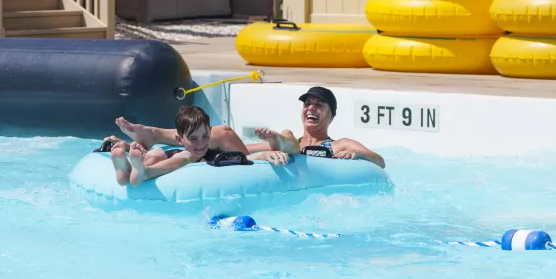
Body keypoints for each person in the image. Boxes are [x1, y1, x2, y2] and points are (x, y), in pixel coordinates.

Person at [110, 86, 386, 169]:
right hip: (279, 148)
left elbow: (381, 162)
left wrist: (359, 155)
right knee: (221, 135)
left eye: (319, 105)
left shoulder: (339, 144)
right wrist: (272, 147)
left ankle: (152, 134)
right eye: (307, 104)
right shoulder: (285, 139)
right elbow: (261, 152)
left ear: (331, 115)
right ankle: (144, 143)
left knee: (230, 134)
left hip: (294, 151)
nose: (311, 108)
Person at [107, 105, 291, 187]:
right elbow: (246, 157)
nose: (201, 143)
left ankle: (128, 169)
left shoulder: (202, 149)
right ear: (180, 140)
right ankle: (141, 171)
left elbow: (246, 157)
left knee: (154, 154)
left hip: (168, 153)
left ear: (211, 134)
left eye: (205, 136)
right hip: (177, 155)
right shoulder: (189, 154)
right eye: (193, 139)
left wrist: (266, 154)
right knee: (168, 156)